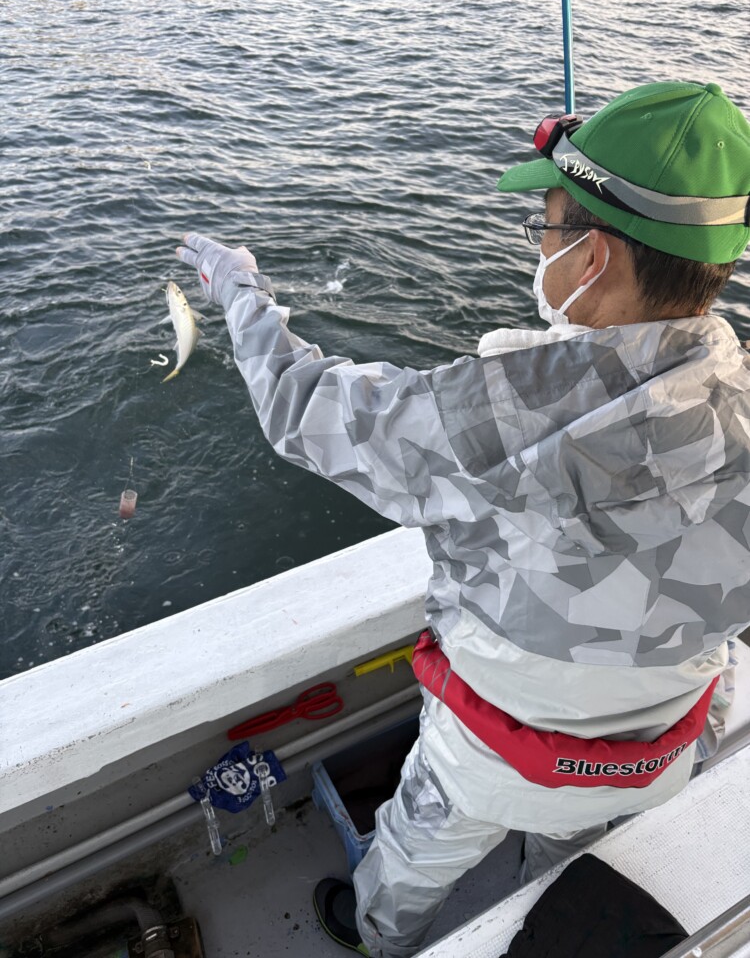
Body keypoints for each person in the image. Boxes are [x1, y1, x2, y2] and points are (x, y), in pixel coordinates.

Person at [176, 80, 750, 958]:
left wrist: (238, 289)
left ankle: (372, 935)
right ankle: (555, 872)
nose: (541, 244)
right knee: (576, 839)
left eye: (547, 226)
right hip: (658, 755)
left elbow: (301, 406)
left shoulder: (483, 418)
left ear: (592, 259)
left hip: (493, 758)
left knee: (415, 854)